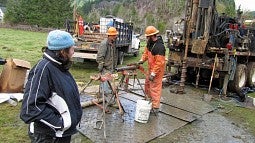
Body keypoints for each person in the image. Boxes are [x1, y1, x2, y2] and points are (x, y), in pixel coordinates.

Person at [20, 30, 83, 143]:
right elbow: (31, 108)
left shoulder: (59, 67)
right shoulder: (43, 70)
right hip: (48, 136)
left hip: (60, 134)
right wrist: (60, 124)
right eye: (72, 48)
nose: (73, 52)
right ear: (63, 51)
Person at [138, 26, 166, 113]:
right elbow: (146, 53)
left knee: (155, 88)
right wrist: (141, 60)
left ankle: (155, 107)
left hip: (157, 71)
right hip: (150, 69)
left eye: (147, 37)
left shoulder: (160, 47)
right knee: (147, 84)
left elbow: (159, 63)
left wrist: (153, 74)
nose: (146, 38)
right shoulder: (150, 43)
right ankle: (148, 100)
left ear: (152, 36)